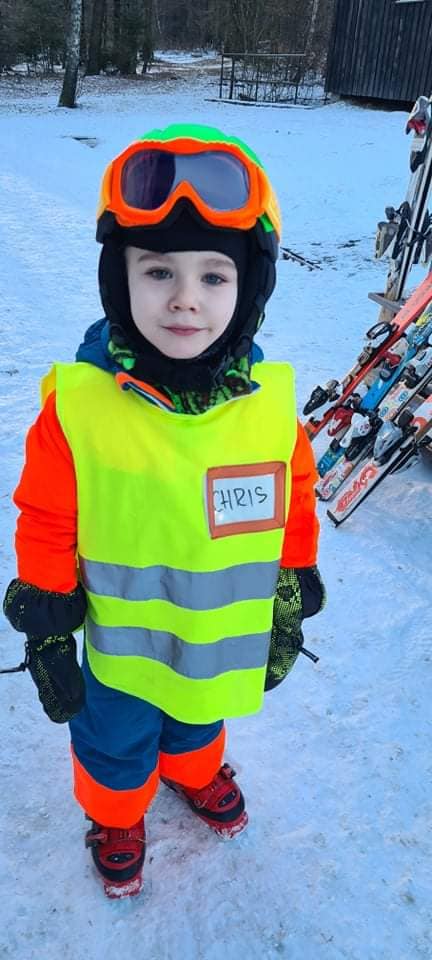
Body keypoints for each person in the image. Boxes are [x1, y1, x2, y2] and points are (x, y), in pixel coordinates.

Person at [3, 123, 325, 899]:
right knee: (114, 743)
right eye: (157, 271)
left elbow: (295, 497)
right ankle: (117, 816)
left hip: (212, 646)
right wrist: (48, 612)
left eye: (214, 275)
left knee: (200, 718)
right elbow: (46, 515)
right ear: (118, 279)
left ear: (250, 289)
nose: (185, 297)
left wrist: (294, 576)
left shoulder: (268, 413)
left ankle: (193, 771)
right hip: (121, 649)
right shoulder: (79, 410)